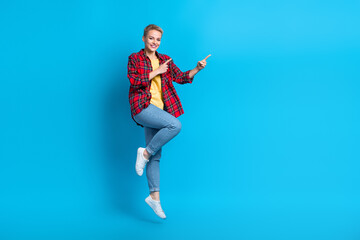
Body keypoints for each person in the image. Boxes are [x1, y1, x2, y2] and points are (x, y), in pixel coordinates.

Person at [127, 24, 210, 219]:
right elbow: (134, 80)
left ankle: (154, 198)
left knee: (155, 156)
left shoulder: (165, 59)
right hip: (142, 106)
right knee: (174, 125)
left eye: (158, 39)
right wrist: (156, 72)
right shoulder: (135, 58)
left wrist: (197, 68)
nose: (154, 42)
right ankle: (144, 152)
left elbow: (181, 77)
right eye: (151, 38)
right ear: (143, 38)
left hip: (159, 110)